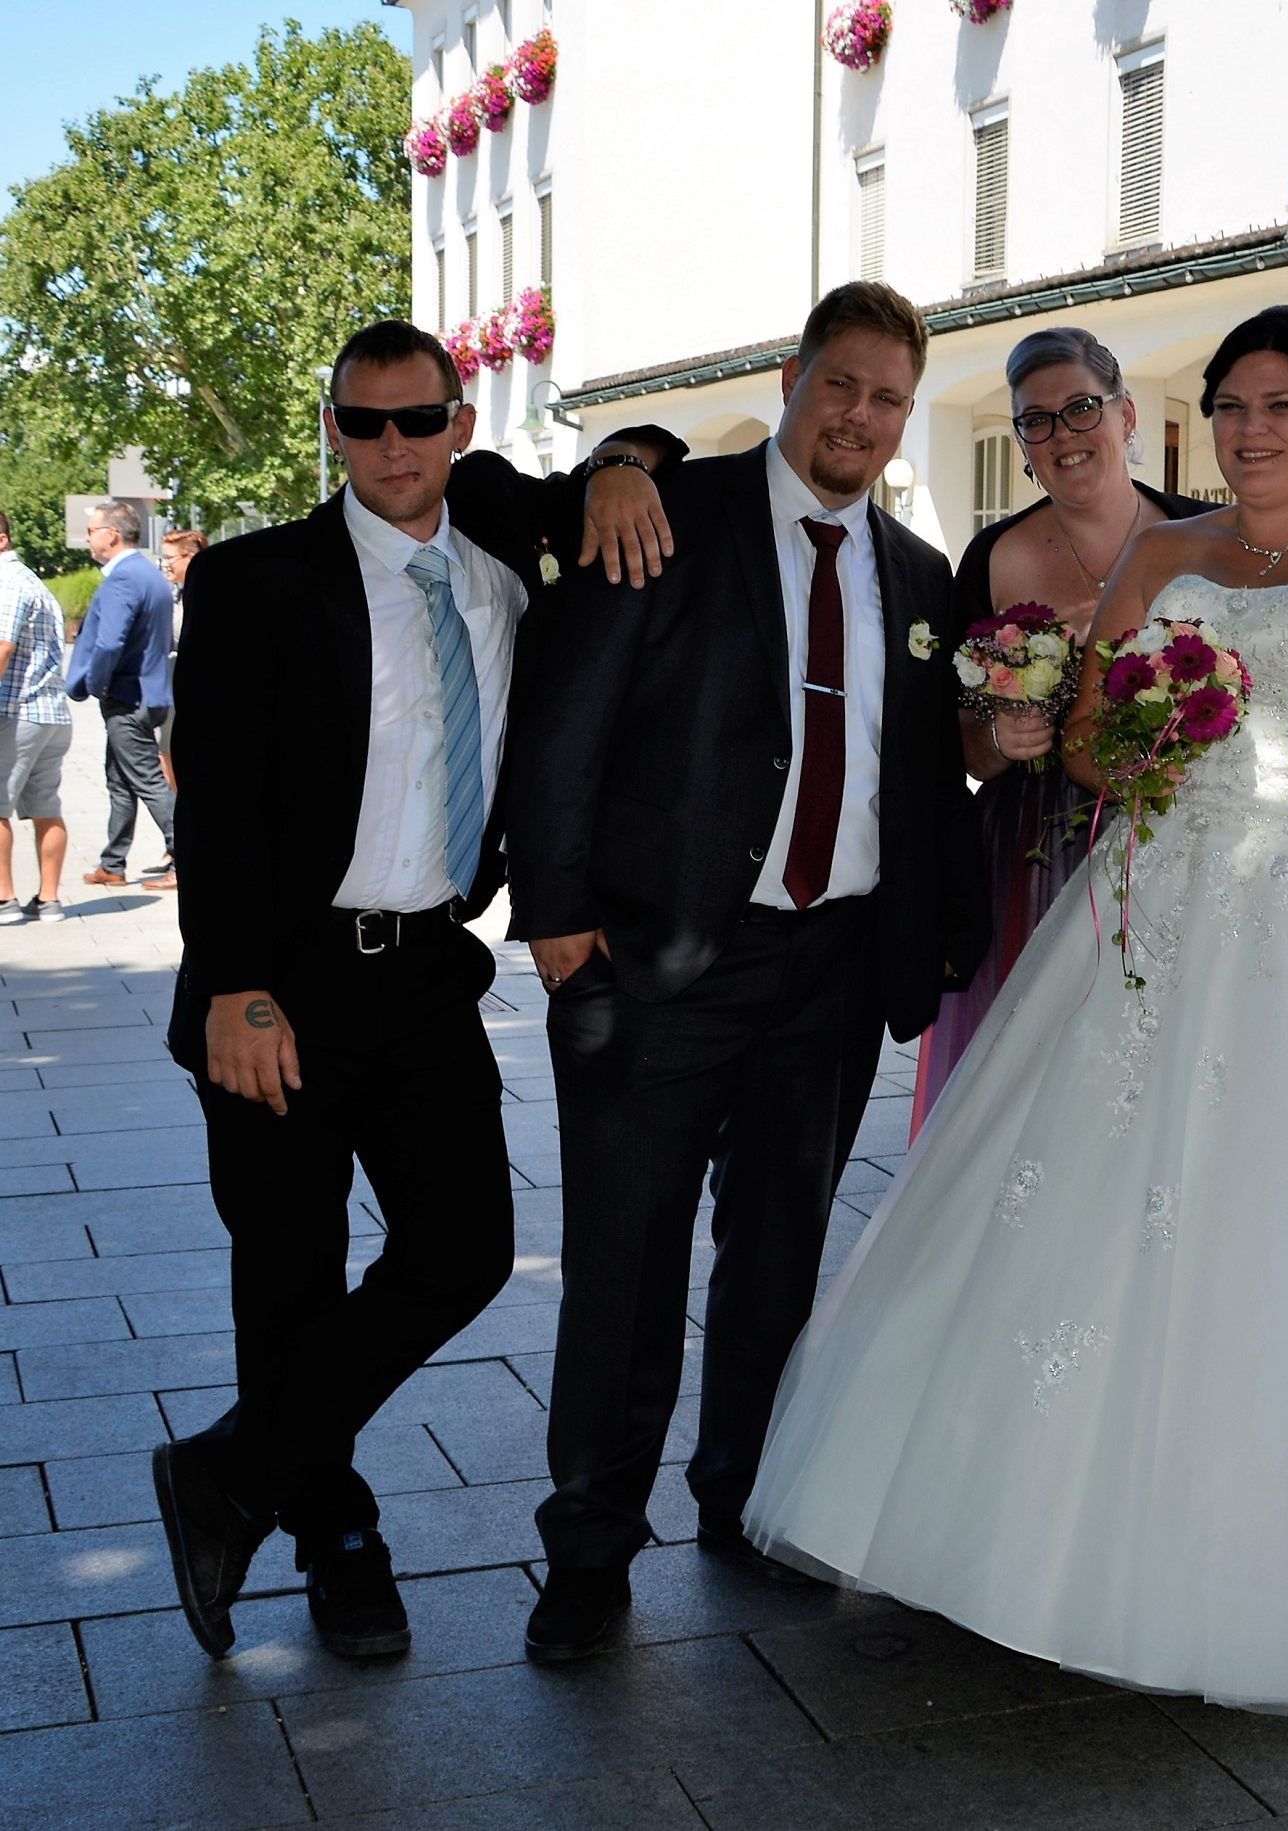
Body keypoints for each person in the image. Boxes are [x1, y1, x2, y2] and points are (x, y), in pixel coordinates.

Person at [743, 305, 1288, 1718]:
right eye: (1231, 407)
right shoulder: (1167, 553)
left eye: (1280, 407)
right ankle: (1021, 1545)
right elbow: (1081, 738)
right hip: (1150, 904)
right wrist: (1137, 718)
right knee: (1067, 1207)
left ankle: (1264, 1580)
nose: (1250, 431)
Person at [150, 317, 683, 1665]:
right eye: (362, 422)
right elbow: (211, 806)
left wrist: (622, 451)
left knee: (466, 1247)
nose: (391, 445)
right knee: (287, 1274)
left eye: (416, 418)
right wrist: (236, 986)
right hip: (280, 980)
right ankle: (336, 1537)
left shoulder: (511, 553)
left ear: (460, 421)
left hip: (428, 970)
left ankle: (230, 1467)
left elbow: (639, 477)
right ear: (331, 429)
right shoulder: (259, 581)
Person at [506, 280, 987, 1663]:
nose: (860, 415)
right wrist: (554, 916)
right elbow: (563, 719)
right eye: (840, 384)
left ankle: (744, 1499)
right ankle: (589, 1551)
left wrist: (936, 934)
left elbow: (920, 773)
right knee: (625, 1266)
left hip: (830, 969)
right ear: (793, 377)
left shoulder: (911, 570)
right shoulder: (667, 513)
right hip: (654, 965)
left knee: (776, 1255)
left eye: (887, 397)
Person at [907, 328, 1206, 1134]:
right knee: (1039, 1084)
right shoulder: (991, 559)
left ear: (1126, 414)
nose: (1063, 435)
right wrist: (1000, 740)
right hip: (1032, 858)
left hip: (1189, 838)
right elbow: (957, 749)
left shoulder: (1207, 541)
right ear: (1022, 445)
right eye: (1035, 422)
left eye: (1081, 409)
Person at [65, 498, 176, 889]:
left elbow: (109, 643)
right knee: (120, 779)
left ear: (111, 534)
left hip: (128, 697)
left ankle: (185, 857)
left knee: (147, 780)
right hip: (149, 693)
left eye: (92, 531)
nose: (88, 538)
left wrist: (97, 683)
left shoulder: (125, 578)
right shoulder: (148, 574)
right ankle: (113, 863)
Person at [0, 510, 72, 924]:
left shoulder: (7, 583)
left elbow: (3, 647)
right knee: (46, 807)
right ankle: (49, 900)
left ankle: (4, 900)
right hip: (49, 711)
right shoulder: (32, 581)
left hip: (17, 710)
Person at [149, 528, 210, 886]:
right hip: (174, 690)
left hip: (191, 695)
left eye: (171, 558)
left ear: (191, 556)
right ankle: (179, 852)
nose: (166, 565)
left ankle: (183, 858)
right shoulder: (178, 594)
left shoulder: (207, 595)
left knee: (180, 773)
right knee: (168, 767)